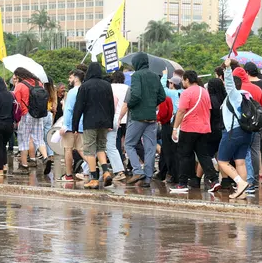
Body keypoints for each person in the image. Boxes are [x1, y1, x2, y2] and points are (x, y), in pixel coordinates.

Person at [122, 54, 166, 186]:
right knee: (150, 148)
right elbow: (162, 96)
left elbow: (135, 95)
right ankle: (147, 178)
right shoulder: (154, 76)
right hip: (151, 117)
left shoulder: (136, 76)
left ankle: (137, 170)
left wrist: (130, 105)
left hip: (138, 116)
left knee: (129, 144)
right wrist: (151, 103)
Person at [72, 61, 116, 189]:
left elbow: (78, 108)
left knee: (90, 151)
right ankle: (106, 172)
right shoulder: (107, 86)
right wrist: (110, 122)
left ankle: (94, 179)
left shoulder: (85, 86)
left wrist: (75, 126)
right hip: (104, 122)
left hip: (90, 123)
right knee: (101, 148)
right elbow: (111, 106)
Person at [171, 70, 216, 193]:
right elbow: (209, 110)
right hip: (204, 128)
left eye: (183, 80)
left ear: (186, 80)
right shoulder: (204, 91)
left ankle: (182, 183)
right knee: (203, 155)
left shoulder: (187, 93)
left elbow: (181, 111)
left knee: (184, 155)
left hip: (189, 127)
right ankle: (214, 180)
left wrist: (175, 128)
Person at [216, 59, 252, 198]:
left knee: (222, 161)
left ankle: (240, 183)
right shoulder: (247, 95)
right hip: (246, 132)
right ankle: (242, 192)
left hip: (233, 132)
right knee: (240, 162)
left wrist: (228, 67)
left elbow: (229, 83)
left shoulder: (234, 94)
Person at [12, 68, 52, 175]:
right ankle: (45, 157)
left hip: (26, 115)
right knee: (39, 138)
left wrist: (17, 118)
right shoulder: (39, 83)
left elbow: (17, 103)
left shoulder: (20, 86)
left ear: (19, 75)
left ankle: (24, 166)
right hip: (39, 114)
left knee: (24, 139)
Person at [60, 69, 85, 182]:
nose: (69, 80)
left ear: (76, 78)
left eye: (70, 78)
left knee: (68, 149)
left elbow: (69, 110)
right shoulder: (85, 90)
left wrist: (65, 125)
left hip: (71, 126)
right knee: (82, 149)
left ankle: (68, 175)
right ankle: (94, 167)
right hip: (83, 125)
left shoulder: (72, 92)